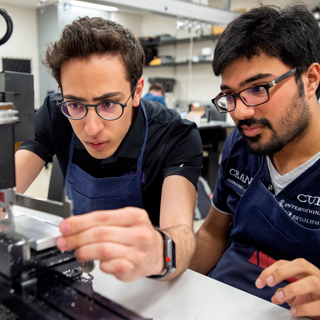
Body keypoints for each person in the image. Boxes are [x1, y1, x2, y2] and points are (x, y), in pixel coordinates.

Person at [15, 17, 203, 282]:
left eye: (108, 105)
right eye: (76, 105)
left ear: (137, 90)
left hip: (148, 281)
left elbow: (181, 234)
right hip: (80, 267)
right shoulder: (55, 114)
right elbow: (8, 187)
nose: (92, 128)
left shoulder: (175, 134)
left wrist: (161, 251)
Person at [190, 4, 320, 319]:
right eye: (231, 96)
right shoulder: (243, 141)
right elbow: (212, 234)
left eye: (259, 88)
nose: (241, 113)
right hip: (215, 300)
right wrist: (167, 266)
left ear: (311, 79)